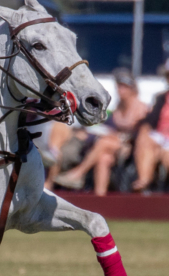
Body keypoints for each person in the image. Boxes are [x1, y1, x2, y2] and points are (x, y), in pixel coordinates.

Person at [54, 68, 147, 196]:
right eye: (119, 86)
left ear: (132, 89)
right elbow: (108, 127)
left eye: (124, 87)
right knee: (104, 158)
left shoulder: (142, 109)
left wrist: (121, 138)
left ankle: (79, 172)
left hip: (131, 148)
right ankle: (100, 198)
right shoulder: (119, 107)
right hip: (114, 147)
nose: (120, 90)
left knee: (104, 142)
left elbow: (143, 133)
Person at [132, 60, 169, 191]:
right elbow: (151, 120)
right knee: (144, 138)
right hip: (160, 137)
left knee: (166, 155)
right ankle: (144, 179)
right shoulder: (161, 98)